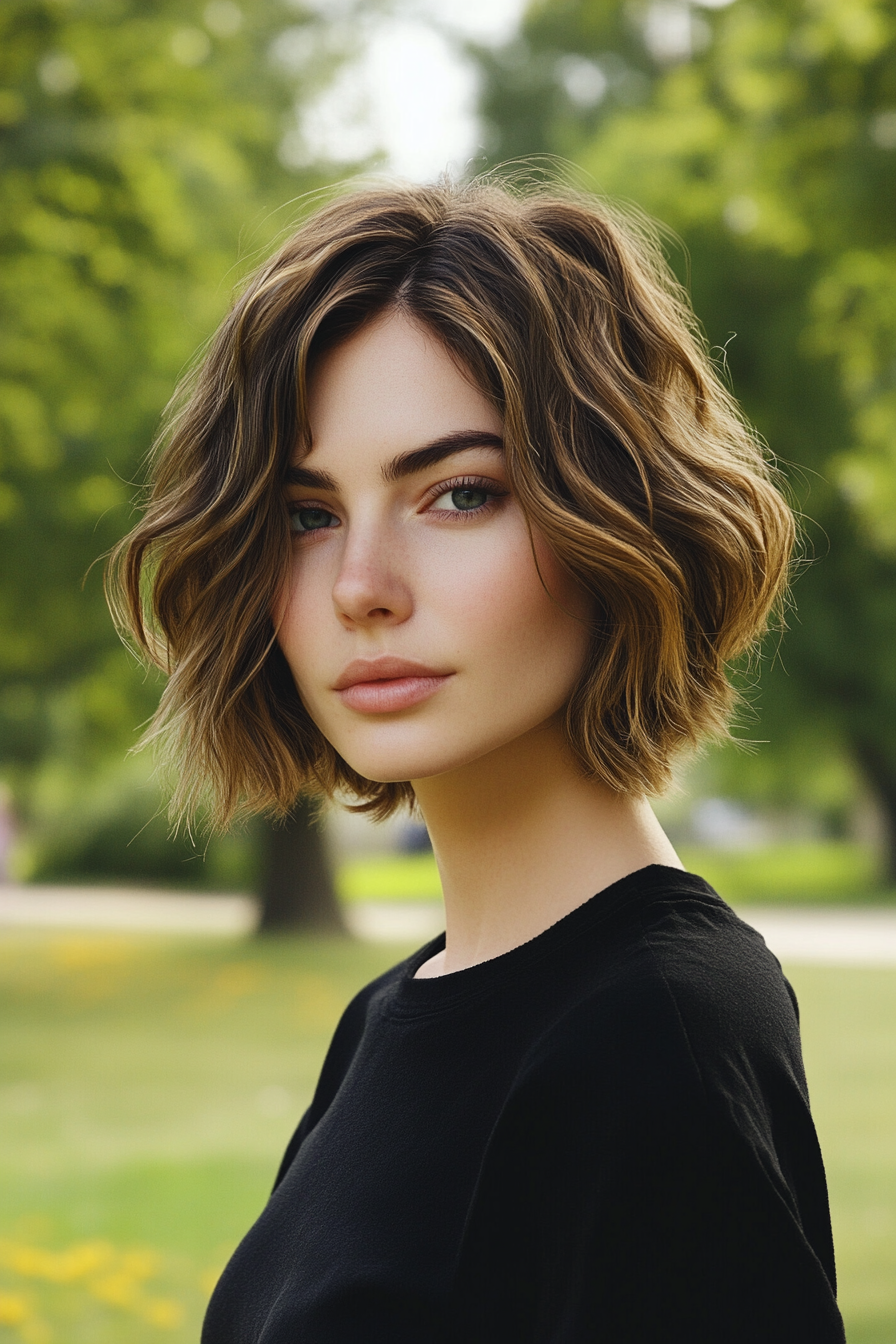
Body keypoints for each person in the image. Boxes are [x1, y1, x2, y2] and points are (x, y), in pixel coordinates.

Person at [110, 178, 845, 1342]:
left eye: (456, 494)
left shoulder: (655, 1040)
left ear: (616, 512)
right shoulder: (392, 1014)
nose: (360, 586)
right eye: (307, 515)